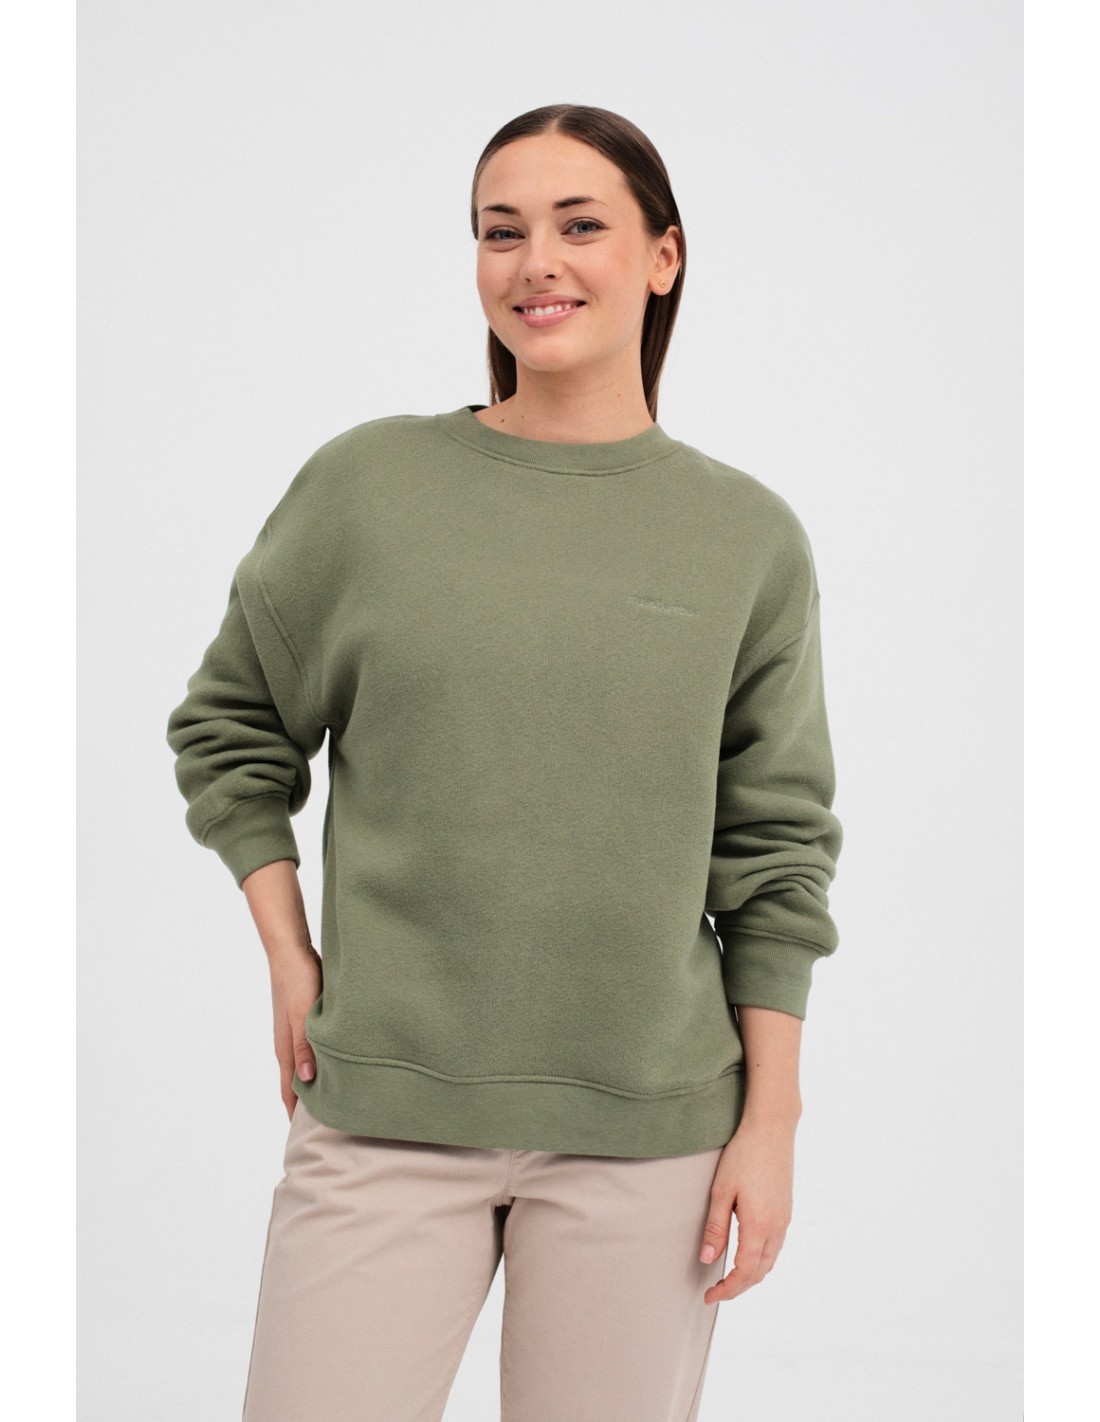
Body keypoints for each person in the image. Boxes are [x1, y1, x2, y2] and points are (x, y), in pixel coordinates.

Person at [165, 102, 844, 1422]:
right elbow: (231, 725)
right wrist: (289, 949)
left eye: (580, 225)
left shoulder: (746, 538)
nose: (537, 262)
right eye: (500, 231)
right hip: (382, 1108)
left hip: (650, 1133)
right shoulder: (369, 488)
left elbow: (774, 852)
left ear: (663, 256)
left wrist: (772, 1123)